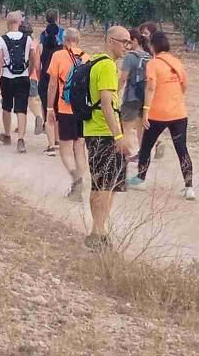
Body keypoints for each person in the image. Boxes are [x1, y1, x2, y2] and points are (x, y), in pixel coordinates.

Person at [131, 31, 196, 200]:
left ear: (153, 46)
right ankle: (189, 187)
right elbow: (185, 85)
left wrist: (145, 111)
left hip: (158, 113)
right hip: (179, 113)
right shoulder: (177, 62)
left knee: (146, 147)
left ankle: (140, 179)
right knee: (182, 149)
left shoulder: (153, 64)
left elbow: (150, 88)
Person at [81, 27, 130, 249]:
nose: (127, 46)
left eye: (129, 42)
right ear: (111, 41)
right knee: (105, 187)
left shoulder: (96, 61)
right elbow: (107, 103)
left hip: (93, 130)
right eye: (123, 41)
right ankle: (100, 234)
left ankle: (96, 231)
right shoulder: (108, 65)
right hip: (105, 133)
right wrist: (118, 135)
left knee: (99, 185)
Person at [44, 26, 87, 201]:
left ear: (64, 40)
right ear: (79, 40)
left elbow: (52, 84)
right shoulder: (87, 58)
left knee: (65, 148)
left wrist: (49, 108)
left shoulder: (58, 56)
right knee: (80, 147)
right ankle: (81, 180)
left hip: (65, 108)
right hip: (82, 110)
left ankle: (75, 178)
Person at [0, 11, 33, 152]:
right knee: (21, 109)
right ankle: (21, 139)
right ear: (20, 22)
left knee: (6, 106)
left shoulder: (1, 40)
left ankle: (7, 134)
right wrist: (29, 72)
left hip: (7, 77)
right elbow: (32, 59)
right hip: (23, 77)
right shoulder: (28, 39)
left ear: (7, 23)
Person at [117, 27, 151, 163]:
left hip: (131, 97)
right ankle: (143, 154)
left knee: (126, 127)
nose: (126, 45)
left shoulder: (130, 57)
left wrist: (115, 91)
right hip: (145, 97)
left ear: (134, 41)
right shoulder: (148, 56)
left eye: (128, 42)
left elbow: (123, 78)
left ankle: (125, 154)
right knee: (141, 128)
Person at [34, 10, 63, 153]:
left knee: (48, 110)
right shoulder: (61, 48)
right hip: (59, 81)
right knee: (58, 110)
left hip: (45, 81)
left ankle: (51, 145)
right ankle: (57, 139)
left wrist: (40, 78)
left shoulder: (41, 45)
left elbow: (36, 66)